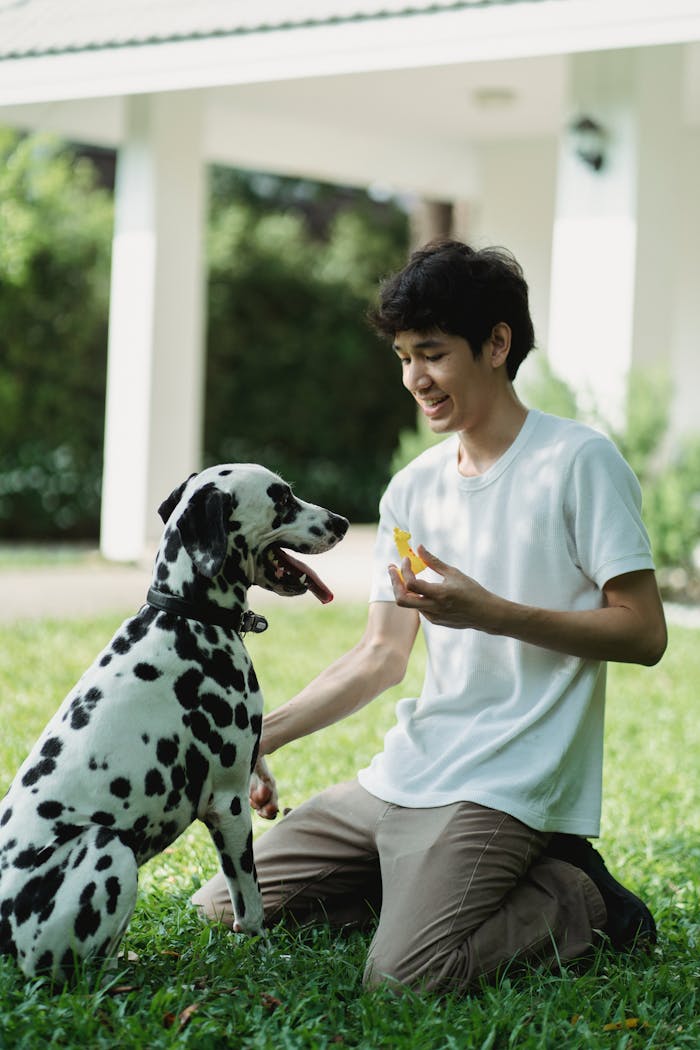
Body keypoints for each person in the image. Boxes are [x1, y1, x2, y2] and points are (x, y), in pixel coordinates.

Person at [192, 240, 667, 994]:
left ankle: (580, 899)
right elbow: (380, 655)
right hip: (409, 771)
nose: (416, 378)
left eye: (434, 354)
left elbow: (643, 632)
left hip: (506, 781)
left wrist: (492, 613)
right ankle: (418, 888)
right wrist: (255, 737)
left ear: (497, 344)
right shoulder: (413, 488)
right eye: (405, 357)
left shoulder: (579, 461)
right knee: (223, 906)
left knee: (405, 977)